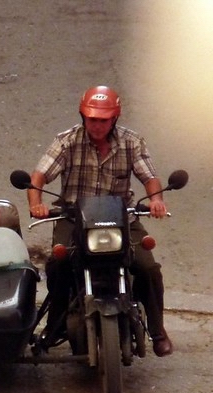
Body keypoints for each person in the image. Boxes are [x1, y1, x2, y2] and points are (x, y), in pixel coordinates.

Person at [27, 85, 172, 356]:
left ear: (114, 118)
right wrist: (37, 205)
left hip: (121, 219)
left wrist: (156, 200)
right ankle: (55, 323)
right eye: (92, 118)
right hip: (74, 217)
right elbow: (38, 177)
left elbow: (149, 177)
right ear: (83, 116)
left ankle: (157, 331)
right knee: (58, 264)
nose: (97, 125)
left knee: (147, 267)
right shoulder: (67, 141)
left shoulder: (131, 142)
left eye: (103, 120)